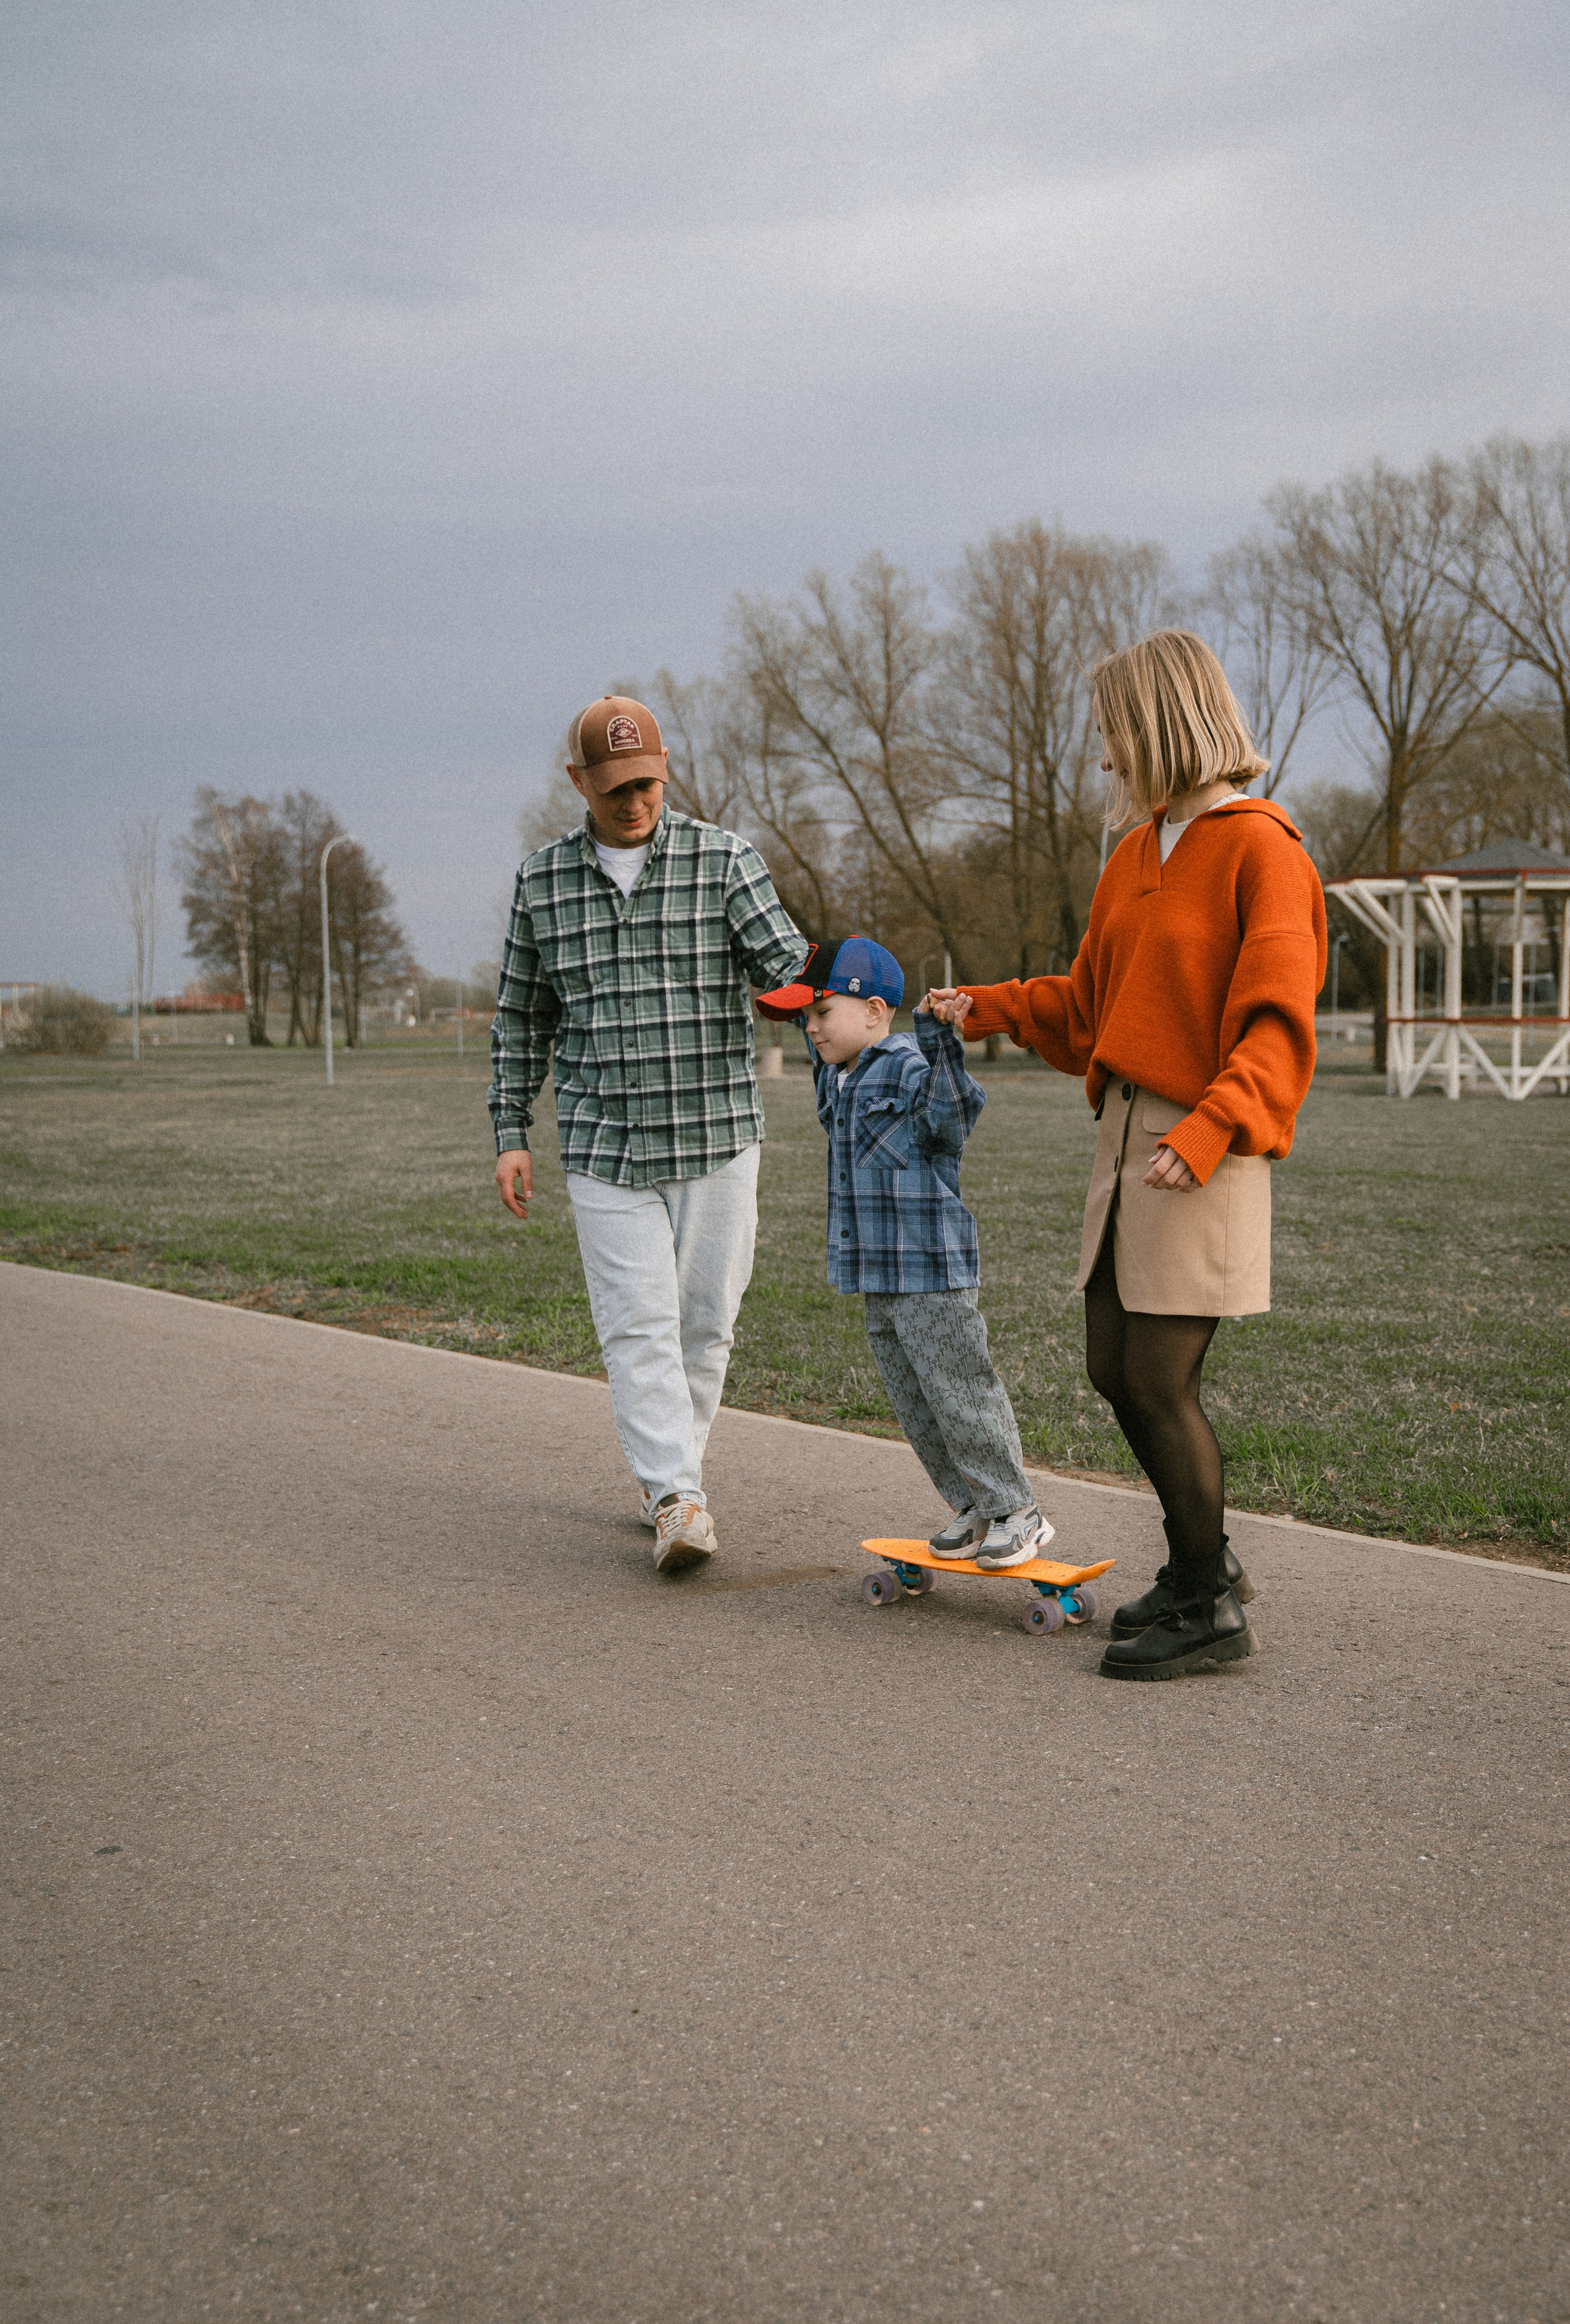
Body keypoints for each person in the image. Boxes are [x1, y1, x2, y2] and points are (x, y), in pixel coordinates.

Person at [935, 630, 1326, 1679]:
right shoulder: (1136, 855)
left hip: (1203, 1140)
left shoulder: (1262, 848)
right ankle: (1206, 1570)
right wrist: (986, 1008)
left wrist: (1206, 1133)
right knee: (1113, 1368)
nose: (1103, 753)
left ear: (1157, 723)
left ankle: (1210, 1605)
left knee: (1159, 1377)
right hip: (1126, 1143)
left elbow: (1280, 1025)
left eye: (1111, 730)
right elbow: (1088, 1006)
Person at [489, 693, 809, 1575]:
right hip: (606, 1145)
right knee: (639, 1325)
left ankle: (674, 1478)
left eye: (649, 783)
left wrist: (810, 989)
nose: (635, 802)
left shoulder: (724, 861)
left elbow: (783, 961)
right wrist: (511, 1129)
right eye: (616, 787)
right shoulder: (543, 882)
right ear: (579, 783)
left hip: (716, 1134)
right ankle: (676, 1495)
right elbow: (521, 1019)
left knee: (705, 1325)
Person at [757, 935, 1051, 1568]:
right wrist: (820, 1055)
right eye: (804, 1019)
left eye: (821, 1012)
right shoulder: (839, 1076)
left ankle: (1016, 1509)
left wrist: (940, 1036)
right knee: (914, 1400)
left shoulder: (909, 1064)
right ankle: (973, 1504)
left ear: (872, 1011)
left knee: (958, 1389)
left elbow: (952, 1118)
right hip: (875, 1270)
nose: (811, 1028)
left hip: (929, 1268)